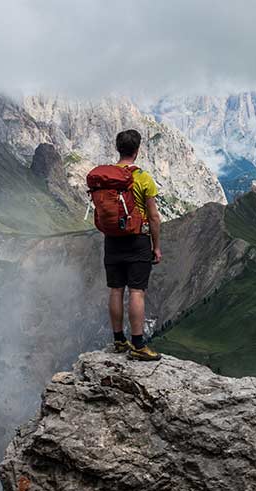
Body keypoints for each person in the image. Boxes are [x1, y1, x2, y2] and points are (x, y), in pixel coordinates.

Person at [105, 129, 163, 361]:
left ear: (118, 149)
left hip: (112, 240)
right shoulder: (143, 178)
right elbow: (154, 217)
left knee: (116, 289)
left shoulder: (106, 177)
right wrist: (156, 246)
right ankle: (138, 344)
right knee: (137, 291)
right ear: (137, 151)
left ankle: (119, 340)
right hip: (137, 239)